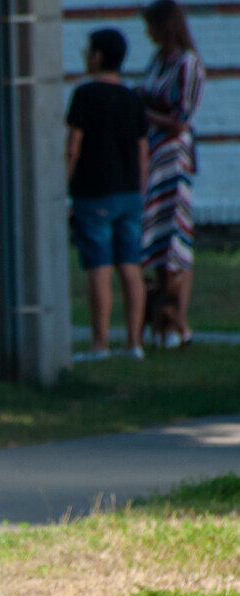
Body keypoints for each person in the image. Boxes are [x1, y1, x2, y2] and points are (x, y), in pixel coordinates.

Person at [66, 27, 149, 362]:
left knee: (99, 266)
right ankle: (134, 342)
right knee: (130, 265)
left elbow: (74, 145)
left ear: (98, 55)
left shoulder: (85, 94)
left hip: (94, 191)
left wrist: (63, 186)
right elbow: (143, 149)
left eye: (88, 51)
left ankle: (100, 344)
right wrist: (139, 189)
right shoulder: (132, 98)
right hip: (129, 192)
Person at [139, 0, 205, 348]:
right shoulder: (157, 62)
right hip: (152, 157)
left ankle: (178, 320)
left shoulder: (187, 64)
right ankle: (164, 318)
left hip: (173, 160)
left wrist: (145, 113)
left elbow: (181, 120)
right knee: (156, 236)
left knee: (174, 241)